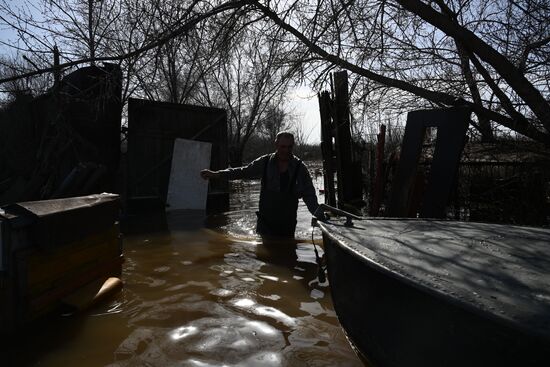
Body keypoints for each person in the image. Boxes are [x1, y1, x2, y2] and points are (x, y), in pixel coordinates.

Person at [201, 131, 321, 238]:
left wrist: (320, 215)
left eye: (289, 147)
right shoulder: (265, 162)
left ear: (293, 146)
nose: (286, 151)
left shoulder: (300, 168)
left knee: (288, 258)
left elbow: (309, 195)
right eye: (282, 147)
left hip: (287, 225)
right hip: (265, 223)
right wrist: (216, 174)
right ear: (276, 145)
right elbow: (243, 172)